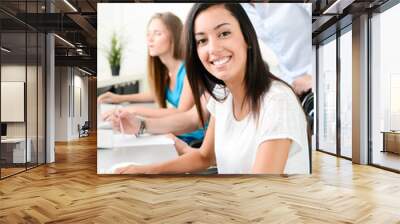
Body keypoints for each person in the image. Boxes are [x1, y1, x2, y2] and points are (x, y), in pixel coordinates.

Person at [112, 3, 310, 174]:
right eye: (202, 40)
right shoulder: (221, 94)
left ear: (247, 38)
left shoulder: (277, 101)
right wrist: (144, 170)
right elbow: (205, 157)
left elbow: (259, 192)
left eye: (224, 33)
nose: (213, 49)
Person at [99, 12, 204, 144]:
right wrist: (120, 98)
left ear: (174, 37)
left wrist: (132, 110)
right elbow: (155, 94)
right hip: (176, 133)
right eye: (148, 34)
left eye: (157, 33)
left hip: (193, 139)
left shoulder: (189, 70)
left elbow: (181, 112)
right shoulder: (166, 71)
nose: (150, 39)